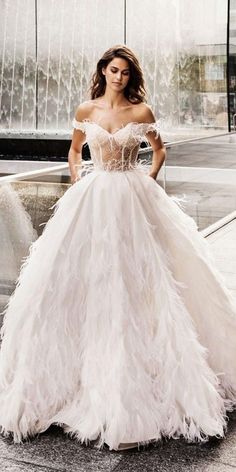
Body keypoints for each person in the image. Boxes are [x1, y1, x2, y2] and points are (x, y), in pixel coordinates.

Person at [0, 45, 236, 452]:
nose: (119, 77)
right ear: (103, 71)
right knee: (76, 278)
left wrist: (148, 177)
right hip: (92, 196)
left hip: (132, 193)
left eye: (125, 72)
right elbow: (74, 151)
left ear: (131, 76)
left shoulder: (141, 113)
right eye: (113, 70)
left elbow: (159, 150)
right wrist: (77, 179)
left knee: (147, 278)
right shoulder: (86, 110)